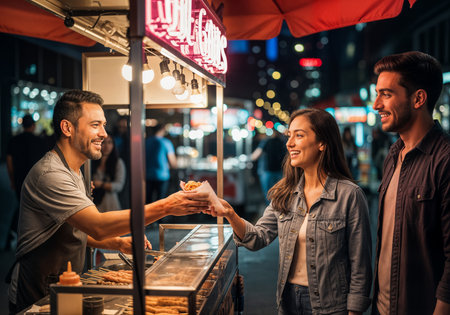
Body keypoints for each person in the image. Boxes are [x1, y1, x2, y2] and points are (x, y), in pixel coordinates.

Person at [7, 90, 210, 314]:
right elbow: (97, 225)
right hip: (38, 289)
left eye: (103, 125)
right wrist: (167, 206)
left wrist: (118, 243)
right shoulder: (50, 174)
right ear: (67, 128)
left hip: (65, 284)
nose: (104, 133)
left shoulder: (79, 169)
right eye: (95, 125)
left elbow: (77, 228)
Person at [208, 108, 372, 314]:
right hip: (288, 302)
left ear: (322, 143)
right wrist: (230, 214)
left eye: (299, 135)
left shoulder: (349, 195)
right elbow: (256, 238)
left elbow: (361, 265)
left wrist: (354, 311)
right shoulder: (284, 192)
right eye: (289, 135)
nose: (289, 143)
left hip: (331, 305)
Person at [372, 51, 450, 315]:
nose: (376, 104)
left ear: (418, 98)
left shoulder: (444, 160)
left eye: (386, 94)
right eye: (377, 93)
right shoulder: (393, 156)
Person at [6, 114, 47, 246]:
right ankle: (30, 236)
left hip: (19, 178)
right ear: (33, 126)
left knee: (21, 204)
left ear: (22, 125)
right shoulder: (39, 141)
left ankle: (15, 235)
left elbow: (9, 161)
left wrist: (12, 179)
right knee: (33, 208)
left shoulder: (14, 140)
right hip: (36, 180)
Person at [91, 136, 126, 211]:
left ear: (113, 145)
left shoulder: (118, 162)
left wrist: (101, 184)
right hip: (94, 203)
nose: (107, 146)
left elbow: (119, 186)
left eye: (110, 142)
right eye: (103, 142)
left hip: (111, 203)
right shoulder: (91, 161)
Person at [251, 130, 286, 204]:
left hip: (267, 172)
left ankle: (271, 213)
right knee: (280, 195)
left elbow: (255, 156)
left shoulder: (265, 141)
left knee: (269, 195)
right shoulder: (282, 142)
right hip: (280, 171)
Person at [145, 124, 177, 203]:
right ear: (162, 130)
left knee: (148, 203)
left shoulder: (146, 142)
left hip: (147, 176)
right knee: (161, 203)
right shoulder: (166, 143)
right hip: (162, 176)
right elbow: (173, 163)